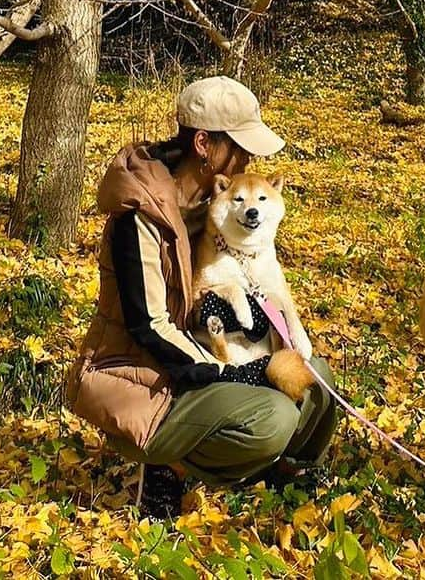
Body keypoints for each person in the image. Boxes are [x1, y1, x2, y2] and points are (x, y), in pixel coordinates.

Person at [67, 76, 337, 519]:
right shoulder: (141, 218)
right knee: (274, 417)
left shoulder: (212, 210)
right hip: (147, 382)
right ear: (204, 145)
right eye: (241, 147)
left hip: (197, 358)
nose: (250, 159)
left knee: (316, 380)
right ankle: (165, 467)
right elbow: (149, 326)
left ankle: (282, 476)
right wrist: (235, 374)